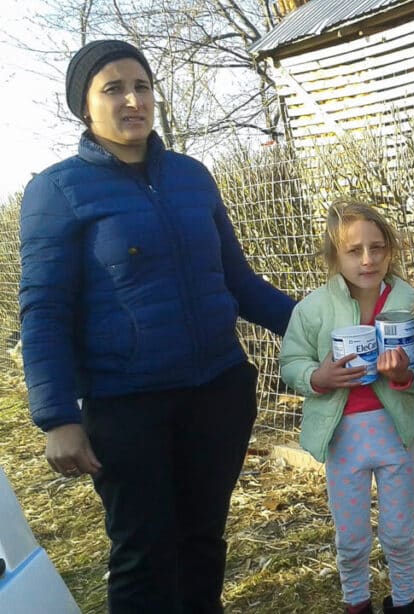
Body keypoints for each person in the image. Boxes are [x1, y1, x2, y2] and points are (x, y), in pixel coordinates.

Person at [18, 40, 296, 613]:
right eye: (113, 88)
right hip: (127, 406)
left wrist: (325, 325)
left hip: (216, 392)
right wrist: (57, 418)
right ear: (84, 107)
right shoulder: (58, 190)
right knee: (144, 555)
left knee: (201, 542)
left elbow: (238, 283)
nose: (133, 100)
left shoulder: (192, 178)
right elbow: (43, 310)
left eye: (142, 86)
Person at [279, 200, 414, 614]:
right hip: (344, 439)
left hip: (395, 433)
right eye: (354, 250)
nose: (368, 260)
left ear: (390, 249)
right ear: (333, 256)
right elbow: (292, 361)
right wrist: (318, 378)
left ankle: (405, 602)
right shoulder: (313, 308)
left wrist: (405, 375)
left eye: (378, 248)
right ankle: (356, 603)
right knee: (351, 537)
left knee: (400, 532)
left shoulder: (412, 302)